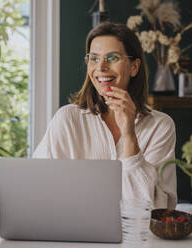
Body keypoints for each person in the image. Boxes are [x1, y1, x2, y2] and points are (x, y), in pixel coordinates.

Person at [33, 22, 177, 209]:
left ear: (134, 67)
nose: (100, 67)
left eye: (112, 58)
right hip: (74, 233)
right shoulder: (66, 119)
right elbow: (38, 188)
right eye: (93, 58)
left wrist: (130, 136)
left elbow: (157, 208)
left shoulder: (161, 126)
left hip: (137, 236)